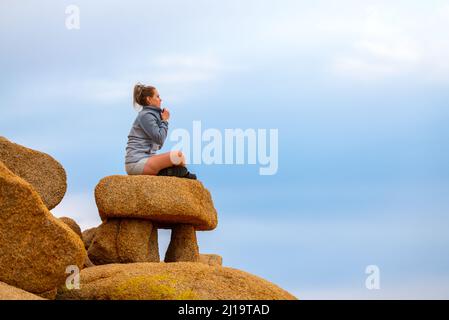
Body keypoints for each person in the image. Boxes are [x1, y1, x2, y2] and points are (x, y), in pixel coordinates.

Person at [124, 83, 196, 179]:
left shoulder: (152, 115)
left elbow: (158, 145)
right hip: (137, 163)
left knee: (180, 160)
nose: (160, 99)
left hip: (147, 160)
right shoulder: (146, 115)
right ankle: (182, 174)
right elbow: (160, 139)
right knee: (178, 156)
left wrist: (161, 120)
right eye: (157, 96)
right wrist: (165, 121)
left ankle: (176, 173)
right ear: (149, 99)